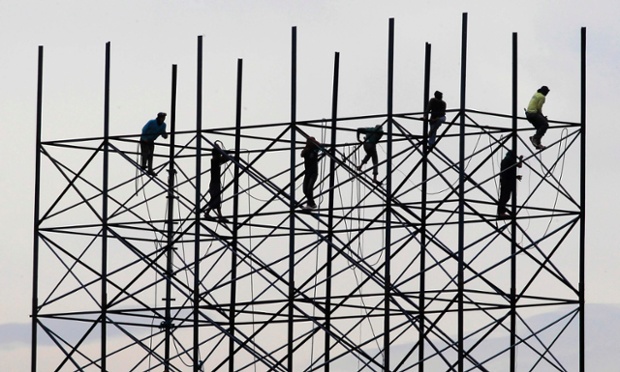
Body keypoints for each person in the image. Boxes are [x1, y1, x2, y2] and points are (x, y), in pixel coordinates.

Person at [203, 144, 230, 222]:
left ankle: (217, 215)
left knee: (216, 200)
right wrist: (228, 156)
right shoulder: (214, 160)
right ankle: (209, 213)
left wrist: (227, 156)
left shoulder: (216, 160)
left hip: (216, 183)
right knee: (215, 199)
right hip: (214, 183)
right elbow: (222, 159)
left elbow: (222, 160)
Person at [497, 150, 523, 219]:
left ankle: (501, 212)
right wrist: (520, 160)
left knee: (503, 197)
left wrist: (515, 177)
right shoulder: (510, 160)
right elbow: (519, 165)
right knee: (505, 197)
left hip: (504, 180)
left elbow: (508, 172)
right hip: (507, 181)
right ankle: (501, 213)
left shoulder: (504, 161)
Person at [525, 86, 550, 150]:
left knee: (539, 128)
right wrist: (542, 117)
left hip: (528, 114)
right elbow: (539, 108)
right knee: (545, 125)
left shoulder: (536, 94)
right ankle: (535, 138)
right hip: (533, 114)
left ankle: (537, 143)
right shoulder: (542, 97)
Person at [301, 136, 320, 210]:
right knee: (305, 190)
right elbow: (302, 154)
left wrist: (315, 143)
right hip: (307, 172)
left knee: (309, 188)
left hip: (313, 172)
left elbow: (321, 147)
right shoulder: (307, 151)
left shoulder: (315, 150)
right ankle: (312, 203)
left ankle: (310, 204)